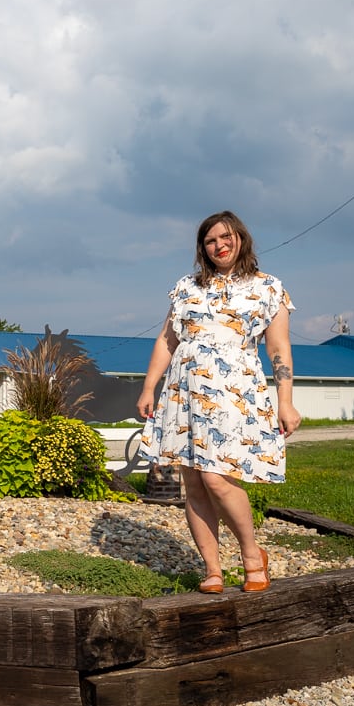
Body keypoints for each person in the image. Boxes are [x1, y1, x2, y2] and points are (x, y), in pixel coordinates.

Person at [136, 210, 301, 594]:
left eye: (226, 237)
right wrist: (149, 387)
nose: (219, 245)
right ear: (203, 248)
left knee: (217, 478)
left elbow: (278, 346)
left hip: (235, 391)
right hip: (184, 391)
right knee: (192, 480)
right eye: (210, 241)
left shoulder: (268, 288)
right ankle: (212, 569)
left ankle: (250, 554)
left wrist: (286, 401)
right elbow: (167, 340)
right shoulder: (186, 288)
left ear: (241, 239)